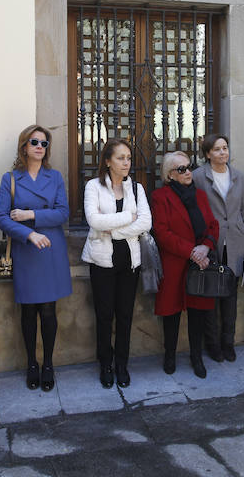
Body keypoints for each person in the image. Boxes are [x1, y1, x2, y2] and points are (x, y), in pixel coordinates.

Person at [0, 125, 72, 391]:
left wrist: (31, 216)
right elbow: (1, 217)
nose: (40, 146)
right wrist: (28, 234)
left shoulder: (55, 177)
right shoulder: (11, 178)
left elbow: (63, 213)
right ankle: (31, 363)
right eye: (35, 142)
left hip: (50, 249)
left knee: (49, 310)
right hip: (26, 250)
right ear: (24, 146)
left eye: (44, 143)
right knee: (28, 310)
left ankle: (48, 364)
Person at [81, 139, 152, 388]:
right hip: (102, 261)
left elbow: (145, 222)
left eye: (129, 158)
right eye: (120, 158)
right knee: (104, 315)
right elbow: (94, 221)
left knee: (124, 315)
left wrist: (117, 230)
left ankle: (122, 364)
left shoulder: (137, 188)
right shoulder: (93, 186)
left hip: (129, 260)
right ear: (108, 161)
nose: (126, 162)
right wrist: (127, 218)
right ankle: (105, 364)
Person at [151, 151, 220, 378]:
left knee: (198, 314)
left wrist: (205, 247)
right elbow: (161, 232)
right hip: (174, 264)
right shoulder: (161, 197)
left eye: (189, 167)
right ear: (169, 175)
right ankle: (169, 355)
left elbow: (212, 225)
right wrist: (191, 251)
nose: (188, 172)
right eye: (181, 169)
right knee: (171, 315)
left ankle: (196, 357)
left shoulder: (200, 195)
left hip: (200, 264)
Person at [192, 134, 244, 362]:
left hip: (236, 243)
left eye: (225, 148)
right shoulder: (199, 176)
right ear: (208, 153)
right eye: (217, 149)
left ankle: (229, 342)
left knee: (230, 297)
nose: (223, 153)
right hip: (211, 243)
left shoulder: (238, 176)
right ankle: (212, 344)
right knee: (210, 298)